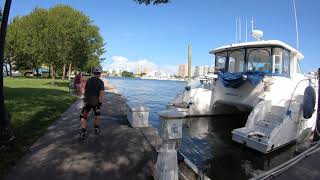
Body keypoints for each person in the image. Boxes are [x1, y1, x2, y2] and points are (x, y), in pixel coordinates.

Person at [79, 67, 105, 140]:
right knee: (97, 115)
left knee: (83, 116)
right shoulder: (100, 82)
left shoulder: (89, 80)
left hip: (87, 102)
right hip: (96, 102)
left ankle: (83, 130)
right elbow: (101, 93)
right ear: (100, 74)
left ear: (93, 73)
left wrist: (85, 98)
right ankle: (96, 128)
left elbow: (85, 90)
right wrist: (100, 103)